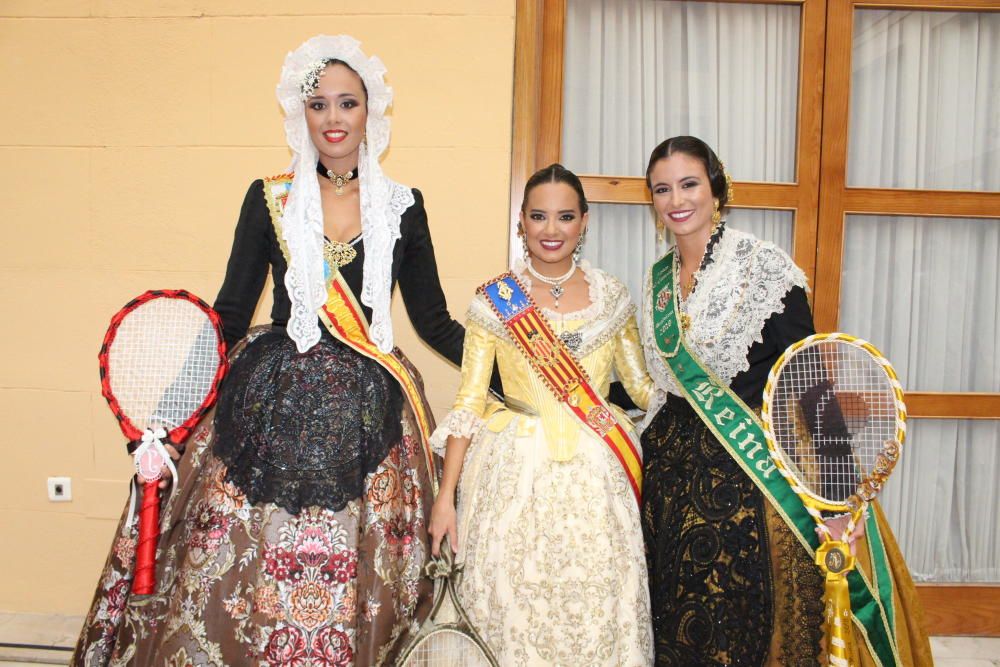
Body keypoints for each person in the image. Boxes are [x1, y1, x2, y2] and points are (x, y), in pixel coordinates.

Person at [73, 35, 468, 666]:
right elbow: (228, 315)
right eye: (318, 105)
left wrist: (522, 374)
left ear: (372, 112)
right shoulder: (268, 197)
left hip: (369, 401)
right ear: (300, 113)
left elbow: (435, 322)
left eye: (347, 103)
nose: (333, 119)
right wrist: (169, 421)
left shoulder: (403, 206)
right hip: (269, 389)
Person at [638, 135, 932, 666]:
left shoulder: (764, 268)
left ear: (715, 188)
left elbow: (810, 384)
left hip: (748, 480)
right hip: (671, 478)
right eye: (663, 189)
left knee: (742, 623)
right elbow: (652, 381)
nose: (676, 200)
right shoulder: (656, 281)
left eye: (689, 184)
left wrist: (839, 501)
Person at [428, 164, 654, 666]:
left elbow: (641, 388)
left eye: (565, 217)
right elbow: (469, 401)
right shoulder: (494, 300)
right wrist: (446, 498)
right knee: (512, 605)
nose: (551, 230)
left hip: (597, 474)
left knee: (597, 606)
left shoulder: (612, 297)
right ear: (521, 224)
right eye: (538, 217)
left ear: (585, 222)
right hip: (513, 472)